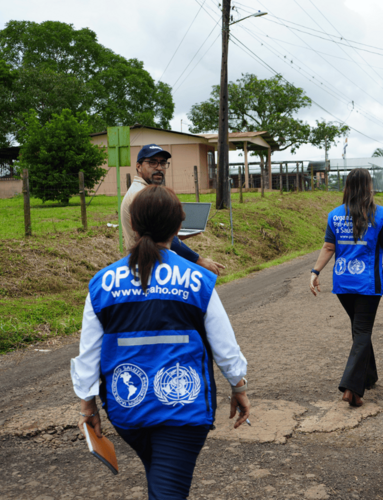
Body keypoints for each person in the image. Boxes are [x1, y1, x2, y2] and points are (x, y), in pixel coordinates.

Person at [71, 185, 249, 499]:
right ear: (179, 228)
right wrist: (238, 385)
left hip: (127, 412)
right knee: (167, 488)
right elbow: (224, 344)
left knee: (162, 481)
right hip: (183, 410)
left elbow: (89, 353)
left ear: (133, 226)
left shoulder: (102, 284)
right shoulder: (198, 280)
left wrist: (88, 406)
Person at [309, 168, 383, 407]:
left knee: (359, 329)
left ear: (347, 187)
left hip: (343, 283)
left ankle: (369, 377)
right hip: (368, 284)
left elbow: (329, 247)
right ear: (368, 186)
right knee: (362, 331)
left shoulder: (334, 215)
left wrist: (315, 272)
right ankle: (352, 388)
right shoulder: (379, 215)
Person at [121, 144, 225, 276]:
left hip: (145, 264)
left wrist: (179, 233)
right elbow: (154, 236)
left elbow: (155, 233)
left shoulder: (141, 191)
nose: (159, 168)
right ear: (138, 166)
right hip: (151, 267)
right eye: (152, 162)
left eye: (163, 163)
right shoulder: (143, 195)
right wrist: (199, 260)